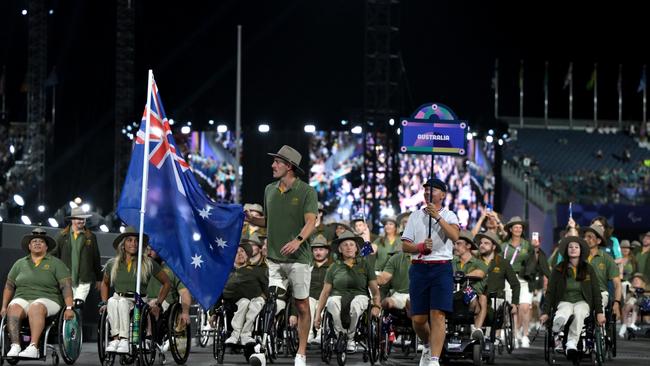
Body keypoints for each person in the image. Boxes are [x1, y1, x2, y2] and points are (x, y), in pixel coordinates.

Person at [244, 145, 318, 366]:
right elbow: (268, 220)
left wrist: (298, 241)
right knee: (272, 304)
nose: (272, 165)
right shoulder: (269, 190)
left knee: (302, 306)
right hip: (274, 260)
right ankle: (263, 349)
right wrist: (250, 220)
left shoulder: (307, 191)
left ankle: (301, 353)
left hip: (299, 260)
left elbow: (311, 222)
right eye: (274, 161)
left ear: (289, 166)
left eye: (277, 162)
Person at [401, 178, 460, 366]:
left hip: (441, 267)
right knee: (418, 319)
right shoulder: (414, 216)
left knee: (438, 314)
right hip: (419, 268)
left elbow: (455, 236)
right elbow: (405, 245)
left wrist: (438, 217)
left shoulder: (450, 215)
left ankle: (434, 359)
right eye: (425, 190)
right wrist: (419, 247)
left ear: (442, 195)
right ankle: (426, 344)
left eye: (432, 190)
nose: (427, 192)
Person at [1, 228, 75, 358]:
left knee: (36, 306)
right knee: (13, 307)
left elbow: (66, 286)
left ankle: (33, 347)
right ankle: (15, 345)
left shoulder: (56, 263)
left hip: (49, 299)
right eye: (34, 241)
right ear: (29, 246)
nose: (37, 243)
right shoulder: (19, 263)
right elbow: (9, 286)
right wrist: (4, 306)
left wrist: (69, 307)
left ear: (46, 246)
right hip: (23, 297)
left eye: (41, 241)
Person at [98, 227, 171, 353]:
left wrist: (158, 303)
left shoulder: (148, 263)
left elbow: (166, 283)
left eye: (136, 241)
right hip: (117, 298)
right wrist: (104, 302)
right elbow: (104, 283)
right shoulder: (112, 263)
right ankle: (115, 339)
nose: (133, 243)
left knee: (121, 302)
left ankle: (124, 339)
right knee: (112, 301)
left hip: (138, 299)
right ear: (123, 244)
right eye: (129, 240)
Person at [313, 231, 381, 352]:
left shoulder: (365, 265)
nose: (348, 247)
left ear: (356, 248)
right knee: (332, 302)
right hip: (337, 295)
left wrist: (376, 305)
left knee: (355, 305)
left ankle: (350, 338)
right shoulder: (333, 267)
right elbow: (325, 292)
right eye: (345, 245)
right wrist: (318, 314)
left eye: (351, 244)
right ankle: (341, 335)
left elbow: (375, 290)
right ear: (340, 249)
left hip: (359, 296)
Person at [539, 236, 605, 358]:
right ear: (566, 250)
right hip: (564, 300)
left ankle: (571, 343)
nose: (573, 249)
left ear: (581, 251)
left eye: (576, 247)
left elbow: (596, 292)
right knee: (564, 310)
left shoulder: (588, 269)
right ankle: (558, 327)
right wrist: (545, 312)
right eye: (570, 247)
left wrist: (599, 312)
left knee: (579, 312)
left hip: (582, 301)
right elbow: (550, 292)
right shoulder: (558, 269)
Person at [475, 230, 519, 344]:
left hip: (496, 299)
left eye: (486, 243)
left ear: (494, 246)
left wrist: (514, 303)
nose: (482, 245)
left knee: (496, 309)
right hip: (477, 298)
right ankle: (475, 334)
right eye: (480, 243)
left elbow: (515, 284)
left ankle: (490, 336)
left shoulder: (503, 263)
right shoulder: (474, 261)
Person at [51, 206, 102, 302]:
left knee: (78, 305)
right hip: (66, 280)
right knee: (68, 307)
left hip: (84, 280)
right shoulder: (62, 236)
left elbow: (96, 258)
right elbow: (53, 256)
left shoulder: (91, 237)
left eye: (83, 218)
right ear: (72, 220)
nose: (82, 221)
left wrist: (99, 279)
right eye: (79, 218)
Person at [222, 239, 268, 346]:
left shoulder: (257, 270)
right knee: (244, 302)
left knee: (256, 303)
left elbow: (266, 289)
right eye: (237, 252)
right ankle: (235, 334)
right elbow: (218, 292)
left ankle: (246, 335)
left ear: (247, 255)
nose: (240, 254)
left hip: (255, 300)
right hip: (233, 304)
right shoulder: (226, 272)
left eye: (242, 251)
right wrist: (213, 312)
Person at [145, 247, 192, 344]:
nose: (149, 252)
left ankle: (149, 336)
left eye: (152, 249)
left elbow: (184, 292)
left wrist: (185, 312)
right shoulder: (142, 268)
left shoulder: (173, 270)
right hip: (144, 300)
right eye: (147, 249)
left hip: (165, 303)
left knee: (153, 304)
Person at [500, 216, 533, 348]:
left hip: (524, 280)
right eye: (515, 227)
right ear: (511, 229)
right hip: (508, 279)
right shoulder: (503, 246)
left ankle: (525, 335)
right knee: (512, 309)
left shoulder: (528, 244)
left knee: (524, 307)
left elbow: (534, 262)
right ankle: (513, 334)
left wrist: (535, 250)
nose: (518, 229)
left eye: (520, 227)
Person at [581, 223, 622, 322]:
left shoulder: (607, 259)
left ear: (598, 241)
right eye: (584, 236)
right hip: (581, 293)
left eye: (590, 237)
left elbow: (617, 284)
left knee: (599, 303)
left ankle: (600, 331)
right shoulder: (577, 257)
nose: (585, 239)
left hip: (601, 293)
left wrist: (616, 303)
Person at [452, 230, 487, 341]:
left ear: (468, 245)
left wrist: (462, 276)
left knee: (482, 297)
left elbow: (480, 273)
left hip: (471, 297)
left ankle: (477, 329)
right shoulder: (451, 262)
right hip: (452, 295)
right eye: (455, 243)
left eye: (458, 244)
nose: (455, 246)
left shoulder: (478, 263)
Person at [306, 234, 332, 344]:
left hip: (326, 296)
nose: (318, 252)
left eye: (321, 249)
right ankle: (309, 333)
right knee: (309, 305)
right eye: (315, 250)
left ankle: (321, 333)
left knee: (323, 307)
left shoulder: (332, 267)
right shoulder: (308, 266)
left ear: (327, 251)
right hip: (310, 295)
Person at [618, 240, 638, 337]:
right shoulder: (617, 259)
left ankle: (627, 326)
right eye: (623, 248)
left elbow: (635, 274)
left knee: (629, 303)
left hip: (630, 285)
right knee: (622, 304)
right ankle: (625, 325)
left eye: (627, 248)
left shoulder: (633, 261)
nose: (625, 250)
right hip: (619, 284)